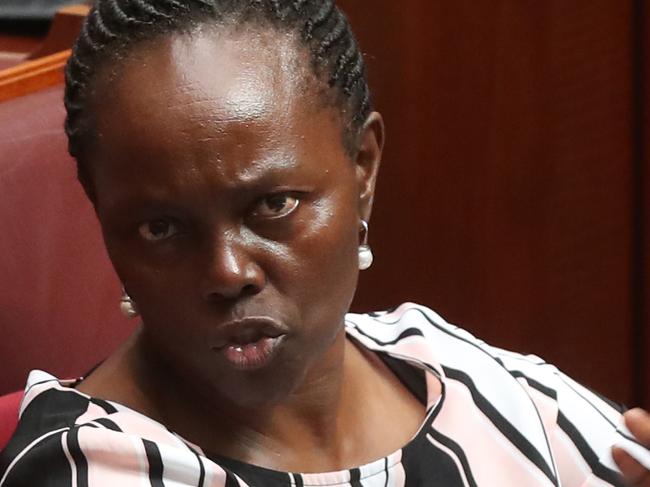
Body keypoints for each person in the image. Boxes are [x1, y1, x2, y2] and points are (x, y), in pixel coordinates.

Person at [1, 0, 649, 485]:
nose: (227, 272)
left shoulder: (460, 371)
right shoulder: (89, 466)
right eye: (161, 227)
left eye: (273, 204)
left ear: (362, 168)